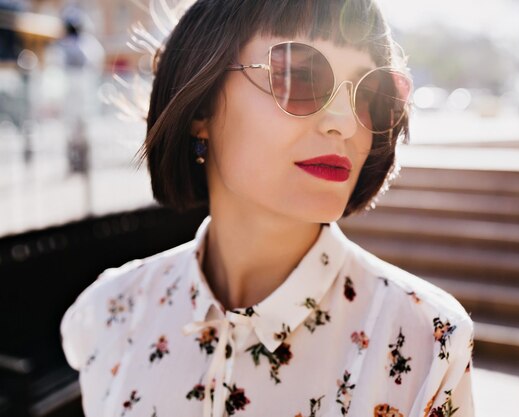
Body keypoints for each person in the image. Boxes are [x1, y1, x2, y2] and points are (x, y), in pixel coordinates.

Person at [60, 1, 475, 416]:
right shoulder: (109, 315)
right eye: (299, 76)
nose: (345, 124)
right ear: (202, 105)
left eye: (370, 94)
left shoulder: (426, 341)